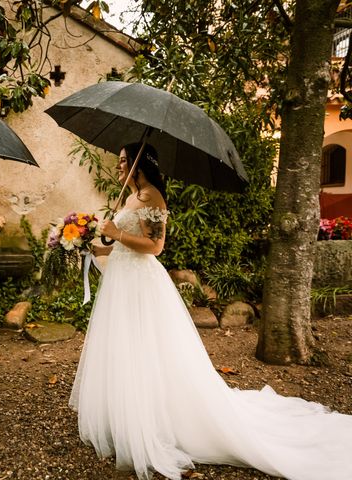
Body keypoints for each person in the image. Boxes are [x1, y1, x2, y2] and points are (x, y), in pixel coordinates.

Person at [70, 142, 352, 480]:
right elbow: (119, 249)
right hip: (122, 283)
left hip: (142, 285)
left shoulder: (151, 198)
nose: (119, 167)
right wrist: (93, 246)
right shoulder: (130, 197)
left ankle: (154, 423)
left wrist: (116, 233)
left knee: (148, 349)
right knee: (126, 349)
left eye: (123, 161)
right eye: (119, 162)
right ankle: (126, 416)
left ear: (139, 165)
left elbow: (155, 247)